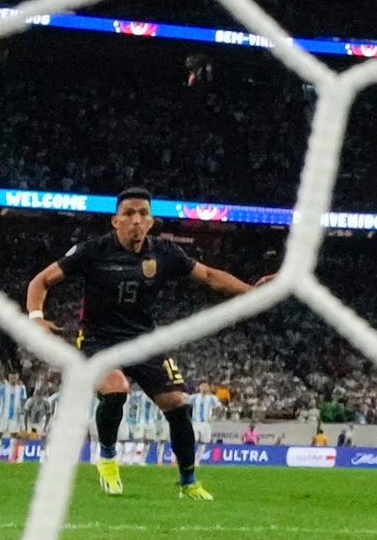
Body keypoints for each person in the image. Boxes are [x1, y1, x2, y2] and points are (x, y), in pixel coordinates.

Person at [25, 187, 266, 500]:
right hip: (99, 339)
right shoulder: (93, 251)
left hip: (144, 338)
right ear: (115, 221)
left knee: (178, 404)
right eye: (128, 214)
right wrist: (35, 316)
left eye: (142, 214)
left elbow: (208, 276)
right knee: (116, 389)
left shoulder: (165, 253)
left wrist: (250, 290)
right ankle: (108, 457)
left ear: (151, 221)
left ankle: (188, 482)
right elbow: (40, 281)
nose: (136, 220)